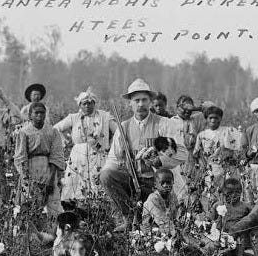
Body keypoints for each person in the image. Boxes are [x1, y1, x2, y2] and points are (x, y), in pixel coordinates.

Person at [100, 78, 188, 233]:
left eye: (144, 100)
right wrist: (104, 174)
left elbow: (182, 154)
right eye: (136, 100)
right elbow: (113, 159)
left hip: (159, 184)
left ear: (150, 102)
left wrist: (160, 161)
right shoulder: (123, 128)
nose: (140, 104)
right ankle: (129, 217)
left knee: (168, 224)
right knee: (106, 175)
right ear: (130, 103)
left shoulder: (164, 124)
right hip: (134, 182)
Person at [53, 87, 117, 201]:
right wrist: (63, 141)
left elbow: (118, 132)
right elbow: (56, 129)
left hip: (98, 154)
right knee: (76, 185)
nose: (87, 106)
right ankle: (76, 206)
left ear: (94, 103)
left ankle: (99, 208)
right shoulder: (74, 117)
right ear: (79, 105)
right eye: (84, 104)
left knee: (98, 182)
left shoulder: (104, 116)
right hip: (78, 155)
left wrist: (111, 145)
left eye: (90, 103)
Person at [14, 102, 65, 219]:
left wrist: (51, 180)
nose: (39, 116)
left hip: (48, 169)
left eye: (42, 113)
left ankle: (51, 233)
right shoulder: (24, 132)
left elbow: (56, 155)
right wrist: (27, 179)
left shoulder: (52, 131)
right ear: (30, 115)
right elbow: (20, 157)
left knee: (52, 204)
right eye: (36, 113)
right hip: (30, 169)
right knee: (30, 202)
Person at [193, 104, 242, 207]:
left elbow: (236, 147)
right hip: (211, 170)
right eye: (210, 118)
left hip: (226, 169)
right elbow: (197, 154)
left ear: (220, 118)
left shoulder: (227, 131)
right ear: (206, 119)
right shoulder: (202, 135)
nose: (213, 120)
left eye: (216, 118)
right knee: (211, 194)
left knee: (228, 193)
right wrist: (204, 168)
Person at [209, 178, 252, 256]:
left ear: (241, 193)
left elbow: (252, 219)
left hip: (240, 235)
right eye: (229, 193)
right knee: (221, 249)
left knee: (240, 244)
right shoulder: (218, 205)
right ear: (223, 193)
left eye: (237, 192)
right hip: (224, 234)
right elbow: (212, 219)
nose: (234, 195)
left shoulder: (245, 206)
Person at [141, 168, 178, 236]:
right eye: (162, 183)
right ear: (155, 184)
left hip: (168, 228)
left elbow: (176, 215)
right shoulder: (153, 199)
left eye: (168, 182)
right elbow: (161, 221)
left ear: (173, 182)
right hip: (152, 232)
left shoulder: (172, 195)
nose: (165, 185)